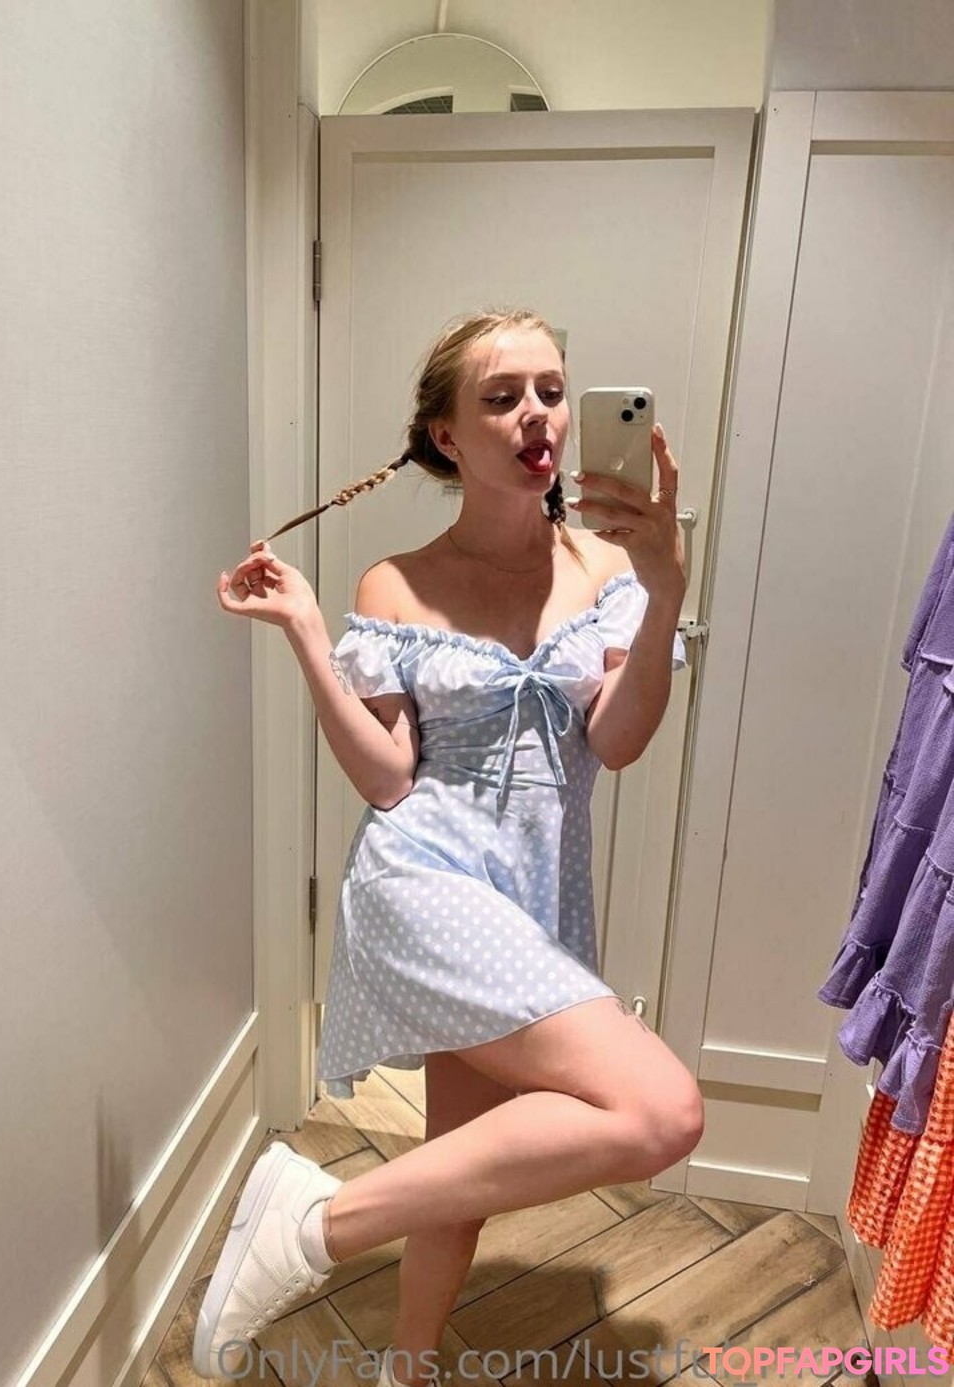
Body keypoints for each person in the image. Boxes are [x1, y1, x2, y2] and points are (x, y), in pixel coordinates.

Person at [193, 308, 704, 1383]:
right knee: (663, 1110)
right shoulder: (396, 583)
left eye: (552, 391)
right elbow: (388, 777)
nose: (537, 416)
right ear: (445, 435)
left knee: (463, 1174)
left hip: (536, 895)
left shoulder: (608, 568)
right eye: (502, 397)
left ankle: (406, 1369)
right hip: (424, 877)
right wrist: (309, 637)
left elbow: (616, 741)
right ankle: (316, 1223)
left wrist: (664, 598)